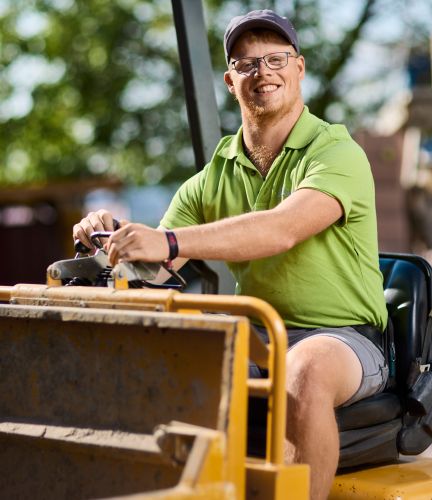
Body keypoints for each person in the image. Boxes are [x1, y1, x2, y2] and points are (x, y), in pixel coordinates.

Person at [73, 9, 388, 499]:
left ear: (299, 68)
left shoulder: (335, 151)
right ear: (229, 80)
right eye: (247, 64)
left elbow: (282, 229)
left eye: (276, 59)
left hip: (344, 339)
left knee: (304, 369)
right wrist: (112, 239)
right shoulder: (213, 176)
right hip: (260, 336)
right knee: (176, 362)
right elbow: (156, 268)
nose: (263, 72)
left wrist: (172, 240)